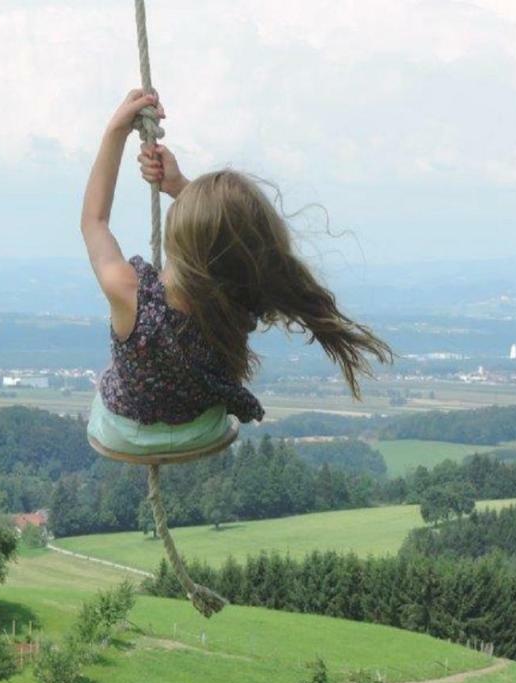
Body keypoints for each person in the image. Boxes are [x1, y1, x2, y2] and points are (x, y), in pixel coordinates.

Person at [80, 89, 393, 456]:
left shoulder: (130, 295)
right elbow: (229, 240)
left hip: (125, 435)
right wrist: (182, 187)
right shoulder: (242, 292)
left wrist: (115, 131)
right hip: (201, 431)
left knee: (110, 378)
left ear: (176, 237)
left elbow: (93, 222)